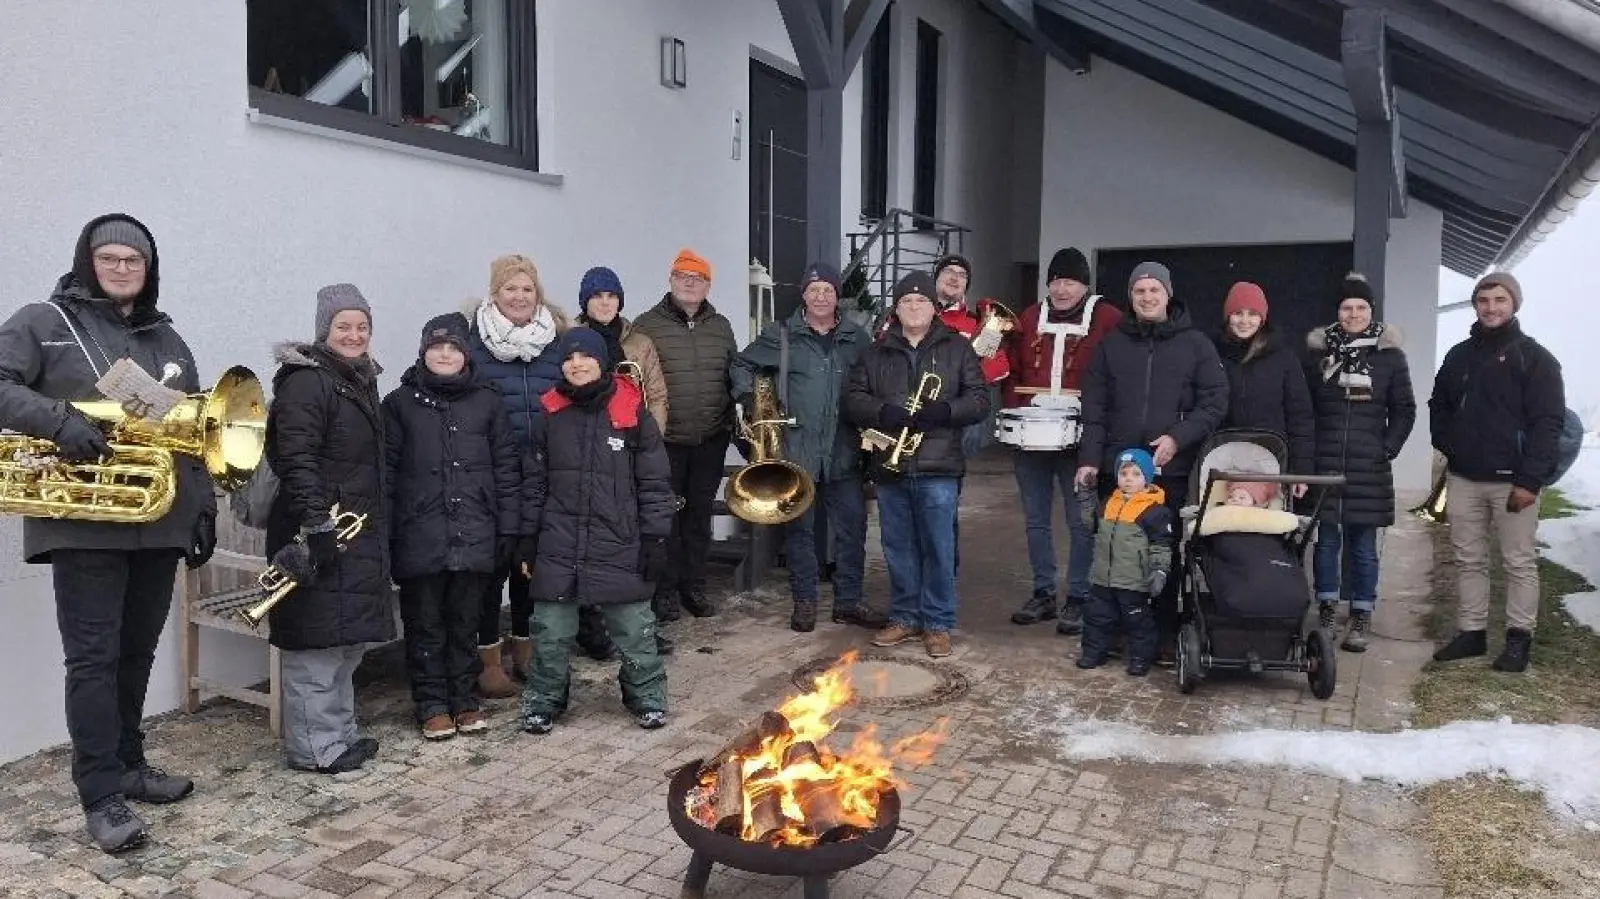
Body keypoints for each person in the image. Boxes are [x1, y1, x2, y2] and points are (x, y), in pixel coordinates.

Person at [0, 214, 213, 853]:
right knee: (91, 661)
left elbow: (192, 435)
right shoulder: (44, 322)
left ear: (149, 269)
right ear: (88, 260)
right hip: (84, 523)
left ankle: (128, 763)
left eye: (134, 260)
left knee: (135, 654)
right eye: (110, 257)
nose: (122, 268)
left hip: (157, 521)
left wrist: (200, 509)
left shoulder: (166, 338)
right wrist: (58, 420)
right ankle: (100, 793)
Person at [263, 284, 392, 775]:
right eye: (344, 326)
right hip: (315, 531)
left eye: (362, 326)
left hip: (351, 530)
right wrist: (316, 523)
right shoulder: (306, 382)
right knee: (316, 644)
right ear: (325, 331)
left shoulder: (354, 379)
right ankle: (314, 749)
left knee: (343, 641)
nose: (354, 334)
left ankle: (337, 736)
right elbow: (295, 459)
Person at [519, 328, 673, 734]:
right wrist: (527, 538)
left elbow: (655, 483)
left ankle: (647, 696)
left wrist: (656, 537)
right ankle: (544, 699)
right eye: (569, 358)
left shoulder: (631, 412)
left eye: (585, 356)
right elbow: (534, 483)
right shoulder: (550, 415)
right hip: (559, 542)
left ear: (601, 361)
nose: (577, 364)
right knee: (550, 632)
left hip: (619, 540)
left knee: (635, 629)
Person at [1075, 262, 1228, 657]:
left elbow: (1214, 403)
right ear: (1131, 296)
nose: (1146, 298)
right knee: (1117, 548)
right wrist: (1090, 458)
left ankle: (1160, 634)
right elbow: (1094, 406)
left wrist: (1178, 438)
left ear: (1167, 295)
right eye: (1139, 291)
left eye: (1154, 290)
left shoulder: (1195, 344)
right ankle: (1116, 632)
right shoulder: (1112, 345)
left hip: (1170, 472)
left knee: (1162, 550)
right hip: (1118, 470)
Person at [382, 313, 522, 740]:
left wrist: (509, 530)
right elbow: (385, 474)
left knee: (466, 621)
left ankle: (464, 698)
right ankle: (430, 703)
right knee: (425, 622)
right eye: (437, 346)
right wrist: (388, 535)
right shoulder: (399, 404)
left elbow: (507, 470)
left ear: (466, 354)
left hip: (475, 531)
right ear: (424, 351)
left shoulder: (487, 401)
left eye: (454, 347)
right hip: (419, 532)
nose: (445, 353)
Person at [730, 262, 883, 633]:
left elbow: (876, 380)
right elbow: (741, 363)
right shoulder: (781, 334)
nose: (820, 296)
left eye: (827, 290)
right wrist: (750, 399)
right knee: (800, 532)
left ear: (837, 296)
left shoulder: (857, 338)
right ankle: (805, 602)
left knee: (852, 529)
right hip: (796, 451)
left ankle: (848, 602)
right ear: (803, 295)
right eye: (813, 290)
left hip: (844, 450)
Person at [845, 271, 990, 659]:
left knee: (939, 547)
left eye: (921, 301)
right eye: (906, 301)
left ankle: (938, 622)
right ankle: (906, 617)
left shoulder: (958, 349)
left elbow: (979, 400)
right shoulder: (875, 352)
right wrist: (884, 412)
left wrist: (944, 410)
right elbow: (853, 399)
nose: (914, 307)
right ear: (896, 308)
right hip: (891, 466)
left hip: (938, 467)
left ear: (933, 307)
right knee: (897, 547)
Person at [1429, 272, 1565, 673]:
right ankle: (1471, 633)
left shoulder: (1535, 358)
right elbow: (1440, 404)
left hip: (1514, 482)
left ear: (1514, 305)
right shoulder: (1459, 355)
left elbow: (1548, 423)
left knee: (1518, 561)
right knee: (1468, 558)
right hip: (1465, 477)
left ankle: (1519, 639)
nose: (1491, 307)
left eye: (1500, 300)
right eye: (1484, 300)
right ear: (1476, 306)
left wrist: (1530, 480)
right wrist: (1449, 445)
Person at [463, 254, 583, 695]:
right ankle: (488, 662)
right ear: (495, 293)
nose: (519, 296)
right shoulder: (473, 343)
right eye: (510, 288)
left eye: (527, 289)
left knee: (531, 567)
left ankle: (527, 654)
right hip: (491, 474)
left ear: (539, 294)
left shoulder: (557, 342)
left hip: (544, 472)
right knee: (492, 568)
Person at [1002, 247, 1123, 635]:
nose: (1062, 288)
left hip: (1081, 439)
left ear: (1084, 284)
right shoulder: (1029, 317)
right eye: (1055, 280)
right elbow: (1012, 368)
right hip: (1032, 436)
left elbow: (1121, 373)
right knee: (1036, 520)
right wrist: (1017, 411)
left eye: (1070, 281)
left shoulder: (1108, 318)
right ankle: (1043, 592)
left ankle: (1080, 596)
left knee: (1080, 520)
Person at [1305, 273, 1416, 653]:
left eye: (1361, 308)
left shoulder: (1390, 356)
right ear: (1337, 312)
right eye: (1347, 307)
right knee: (1326, 542)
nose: (1354, 314)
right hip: (1327, 463)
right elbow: (1308, 409)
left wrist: (1387, 448)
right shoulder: (1320, 354)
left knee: (1363, 546)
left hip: (1369, 467)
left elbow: (1405, 410)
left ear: (1372, 311)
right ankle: (1327, 608)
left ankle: (1362, 612)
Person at [631, 249, 737, 620]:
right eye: (683, 276)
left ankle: (694, 586)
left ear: (708, 284)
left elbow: (733, 376)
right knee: (665, 522)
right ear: (671, 280)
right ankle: (664, 592)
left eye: (698, 278)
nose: (690, 283)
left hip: (710, 438)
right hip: (666, 442)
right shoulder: (646, 325)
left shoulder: (721, 326)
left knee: (698, 519)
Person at [574, 265, 674, 655]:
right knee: (592, 539)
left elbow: (658, 396)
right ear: (586, 301)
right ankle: (592, 628)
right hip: (593, 454)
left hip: (631, 450)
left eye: (611, 295)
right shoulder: (571, 339)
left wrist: (649, 441)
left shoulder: (641, 344)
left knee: (633, 542)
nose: (605, 302)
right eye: (597, 296)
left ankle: (637, 627)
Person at [1078, 449, 1174, 676]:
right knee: (1096, 617)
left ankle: (1141, 658)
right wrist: (1086, 498)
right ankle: (1093, 652)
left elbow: (1161, 545)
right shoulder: (1108, 503)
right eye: (1124, 473)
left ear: (1147, 478)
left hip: (1134, 580)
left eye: (1136, 474)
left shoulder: (1154, 511)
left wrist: (1159, 570)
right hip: (1103, 577)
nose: (1128, 479)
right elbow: (1091, 525)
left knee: (1138, 622)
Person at [1212, 282, 1315, 487]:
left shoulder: (1284, 358)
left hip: (1272, 461)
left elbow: (1300, 417)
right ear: (1227, 317)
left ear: (1263, 318)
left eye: (1252, 314)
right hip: (1223, 460)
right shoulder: (1212, 354)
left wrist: (1301, 472)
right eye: (1238, 313)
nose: (1245, 320)